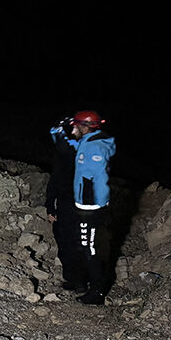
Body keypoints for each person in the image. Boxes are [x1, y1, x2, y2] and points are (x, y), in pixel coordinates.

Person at [68, 110, 116, 305]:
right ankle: (88, 283)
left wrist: (90, 206)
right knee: (84, 245)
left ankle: (97, 293)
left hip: (91, 207)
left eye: (75, 125)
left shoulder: (95, 147)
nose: (73, 128)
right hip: (85, 204)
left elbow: (98, 178)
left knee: (90, 248)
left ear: (85, 126)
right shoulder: (87, 142)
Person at [45, 116, 87, 293]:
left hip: (80, 205)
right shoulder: (63, 155)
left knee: (77, 243)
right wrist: (50, 206)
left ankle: (82, 282)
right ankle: (72, 279)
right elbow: (54, 181)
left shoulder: (85, 152)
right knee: (64, 241)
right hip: (65, 203)